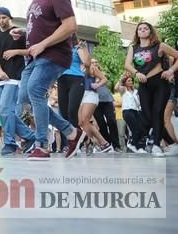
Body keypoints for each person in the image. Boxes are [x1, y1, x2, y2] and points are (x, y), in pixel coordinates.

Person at [15, 0, 84, 161]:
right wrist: (23, 31)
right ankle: (71, 132)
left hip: (53, 56)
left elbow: (70, 25)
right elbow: (43, 25)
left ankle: (42, 146)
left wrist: (43, 44)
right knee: (25, 99)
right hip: (34, 58)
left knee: (35, 90)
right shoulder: (36, 1)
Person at [123, 22, 178, 156]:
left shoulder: (160, 46)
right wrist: (136, 73)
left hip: (160, 83)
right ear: (137, 32)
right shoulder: (133, 48)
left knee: (158, 112)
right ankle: (171, 143)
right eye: (139, 29)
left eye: (145, 28)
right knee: (148, 116)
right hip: (144, 84)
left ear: (150, 31)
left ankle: (156, 145)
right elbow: (127, 64)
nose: (142, 30)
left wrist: (170, 70)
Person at [0, 7, 36, 155]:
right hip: (2, 76)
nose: (1, 20)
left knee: (5, 108)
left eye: (4, 17)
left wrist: (16, 51)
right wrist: (0, 72)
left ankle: (10, 143)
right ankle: (30, 137)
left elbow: (31, 50)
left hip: (15, 75)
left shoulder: (18, 32)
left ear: (9, 17)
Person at [75, 42, 113, 153]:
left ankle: (94, 143)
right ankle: (101, 143)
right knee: (81, 122)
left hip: (90, 94)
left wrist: (97, 85)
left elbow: (104, 78)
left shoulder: (90, 67)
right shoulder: (75, 67)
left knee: (85, 120)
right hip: (79, 96)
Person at [117, 72, 146, 152]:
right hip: (127, 111)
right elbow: (117, 87)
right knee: (135, 129)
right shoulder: (124, 90)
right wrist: (122, 78)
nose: (131, 82)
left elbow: (139, 102)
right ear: (125, 82)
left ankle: (133, 144)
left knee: (140, 128)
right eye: (128, 81)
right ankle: (137, 147)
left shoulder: (136, 91)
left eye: (131, 81)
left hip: (136, 111)